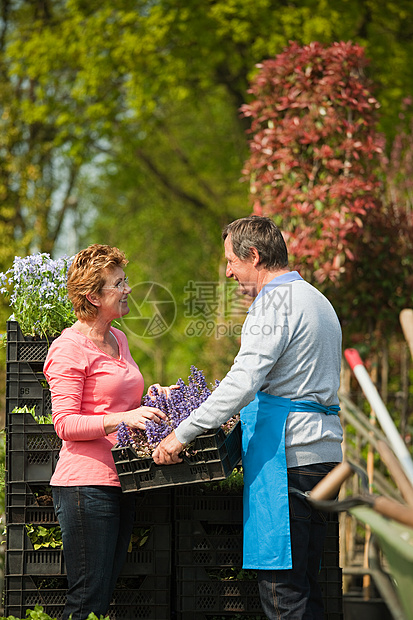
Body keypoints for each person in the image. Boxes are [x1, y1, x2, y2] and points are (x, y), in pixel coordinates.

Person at [153, 216, 343, 620]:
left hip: (288, 460)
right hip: (324, 458)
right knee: (307, 587)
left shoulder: (273, 303)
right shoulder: (316, 299)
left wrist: (181, 434)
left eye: (231, 262)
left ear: (253, 255)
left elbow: (242, 381)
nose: (228, 272)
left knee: (283, 595)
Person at [44, 244, 171, 620]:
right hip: (85, 487)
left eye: (125, 280)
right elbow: (64, 424)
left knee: (104, 595)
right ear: (93, 297)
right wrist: (122, 418)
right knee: (87, 600)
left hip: (122, 480)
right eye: (119, 283)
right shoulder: (68, 348)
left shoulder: (119, 339)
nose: (128, 289)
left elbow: (116, 401)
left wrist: (156, 396)